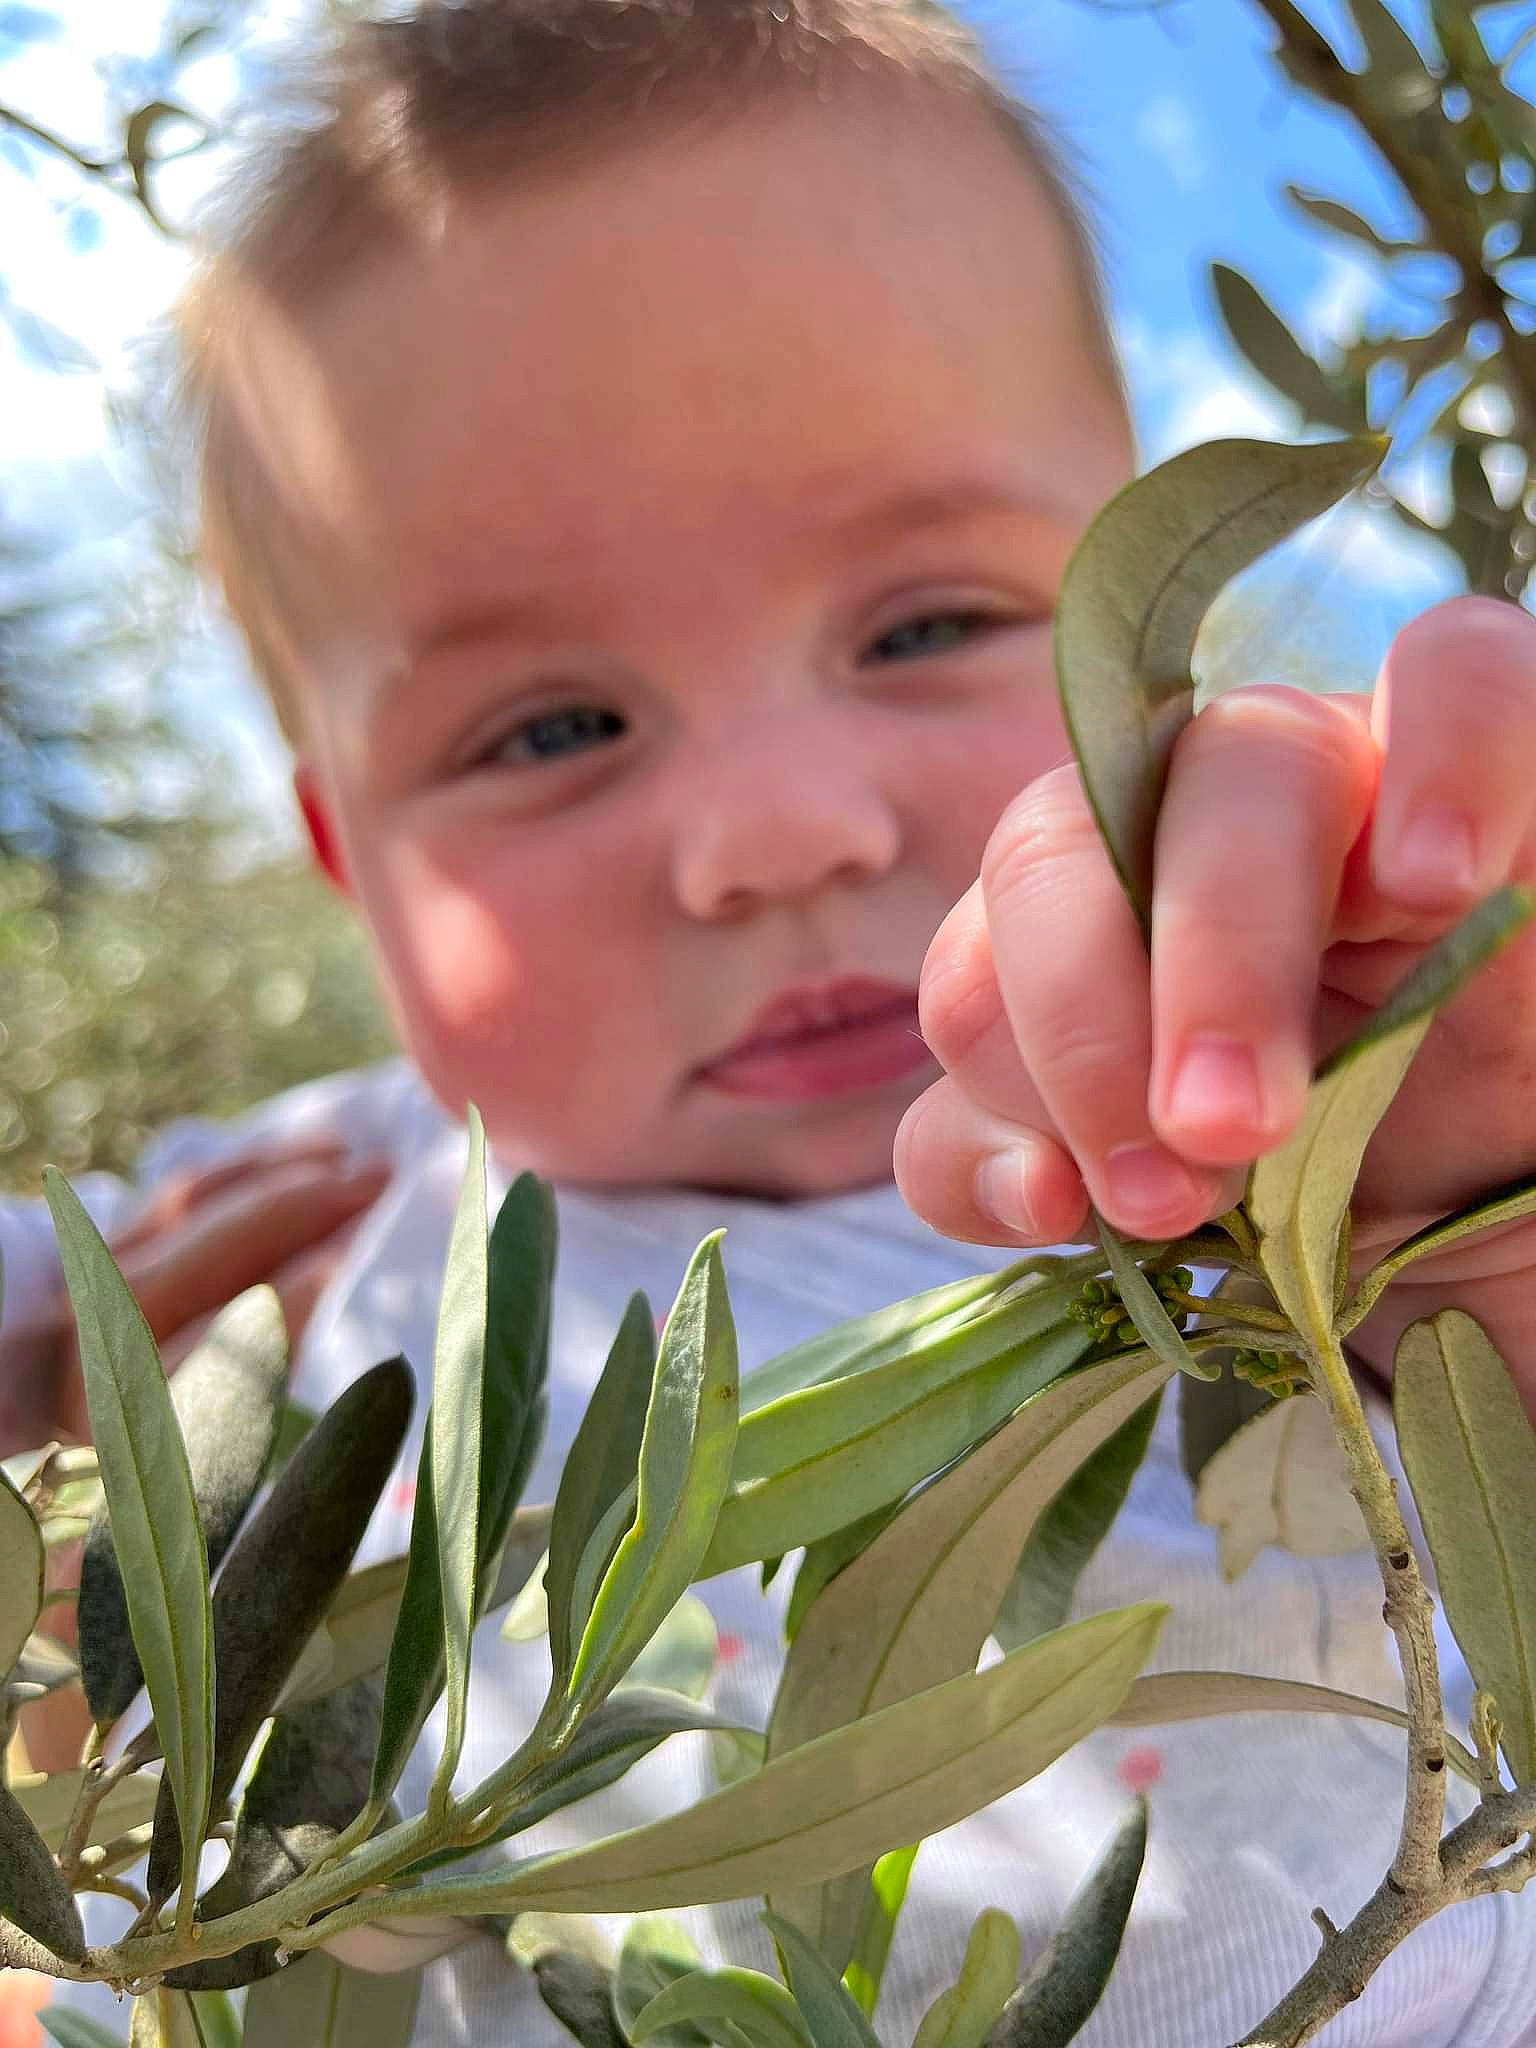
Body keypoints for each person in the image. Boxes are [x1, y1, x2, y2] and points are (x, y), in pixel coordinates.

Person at [5, 0, 1536, 2040]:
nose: (772, 832)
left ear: (1147, 634)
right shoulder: (330, 1178)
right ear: (344, 856)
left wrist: (1471, 1211)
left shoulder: (1286, 1136)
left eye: (927, 622)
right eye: (551, 726)